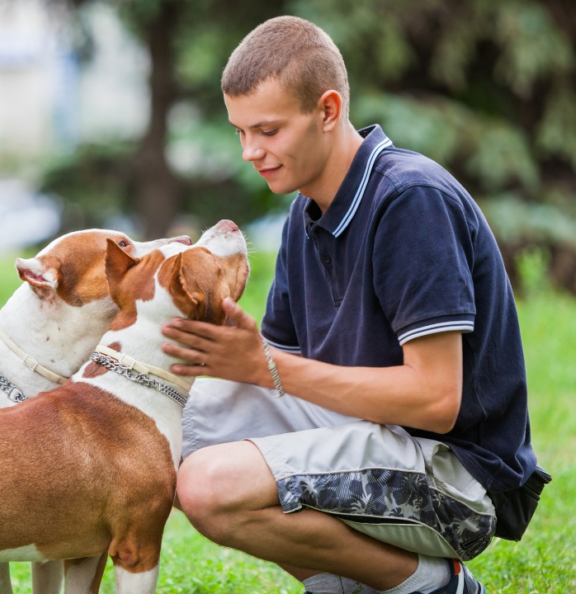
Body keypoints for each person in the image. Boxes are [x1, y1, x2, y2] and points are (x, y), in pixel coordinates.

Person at [160, 15, 541, 594]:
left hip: (458, 481)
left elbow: (437, 400)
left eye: (267, 130)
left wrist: (261, 364)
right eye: (240, 132)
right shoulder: (303, 213)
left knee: (209, 485)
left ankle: (437, 587)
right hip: (366, 435)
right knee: (163, 430)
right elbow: (279, 381)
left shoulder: (411, 200)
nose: (249, 152)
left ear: (329, 111)